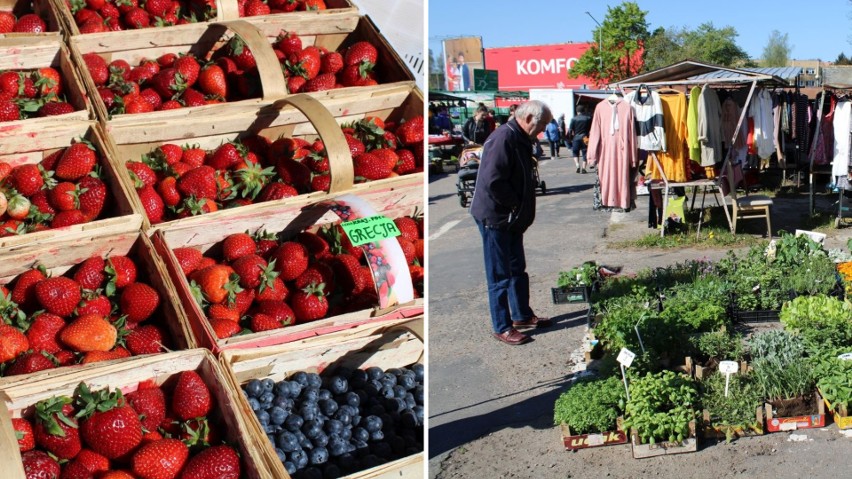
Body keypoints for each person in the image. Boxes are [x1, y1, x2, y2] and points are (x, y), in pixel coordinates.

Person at [469, 100, 554, 346]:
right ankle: (502, 326)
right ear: (528, 119)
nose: (543, 131)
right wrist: (515, 203)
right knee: (499, 274)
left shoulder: (520, 138)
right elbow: (493, 181)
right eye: (542, 125)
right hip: (496, 217)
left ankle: (521, 316)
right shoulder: (503, 138)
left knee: (517, 268)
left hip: (512, 219)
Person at [569, 104, 592, 173]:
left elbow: (570, 130)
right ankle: (584, 168)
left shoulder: (573, 119)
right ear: (584, 111)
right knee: (585, 152)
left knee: (575, 152)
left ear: (577, 111)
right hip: (585, 137)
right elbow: (591, 128)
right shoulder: (588, 118)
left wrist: (570, 138)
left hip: (576, 138)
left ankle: (577, 165)